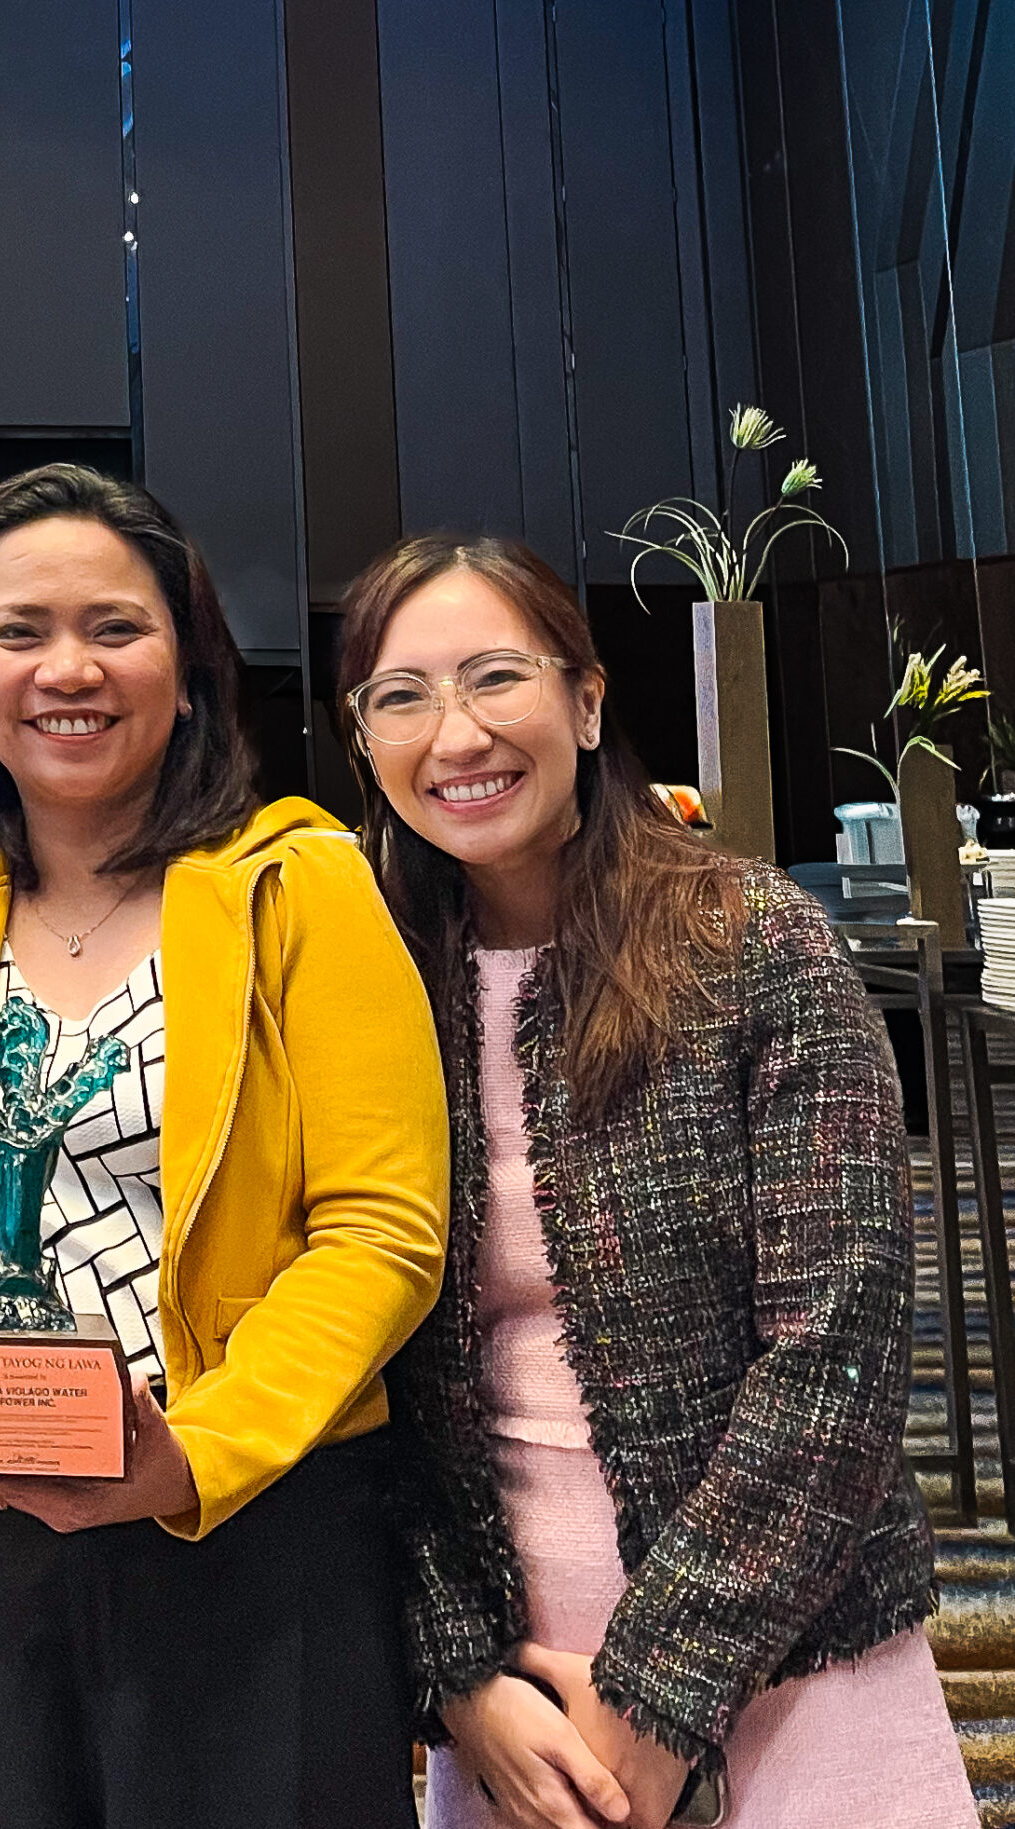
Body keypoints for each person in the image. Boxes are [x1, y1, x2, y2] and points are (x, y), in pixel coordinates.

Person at [0, 463, 449, 1828]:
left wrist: (192, 1454)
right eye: (19, 631)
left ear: (189, 668)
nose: (68, 669)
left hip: (252, 1530)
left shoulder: (299, 884)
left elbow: (382, 1231)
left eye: (115, 626)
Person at [334, 535, 974, 1829]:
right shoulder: (356, 979)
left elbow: (839, 1347)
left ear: (585, 700)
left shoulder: (751, 943)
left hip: (794, 1664)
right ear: (363, 739)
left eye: (496, 676)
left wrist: (661, 1690)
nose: (456, 734)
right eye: (402, 695)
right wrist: (459, 1676)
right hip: (518, 1716)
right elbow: (353, 1382)